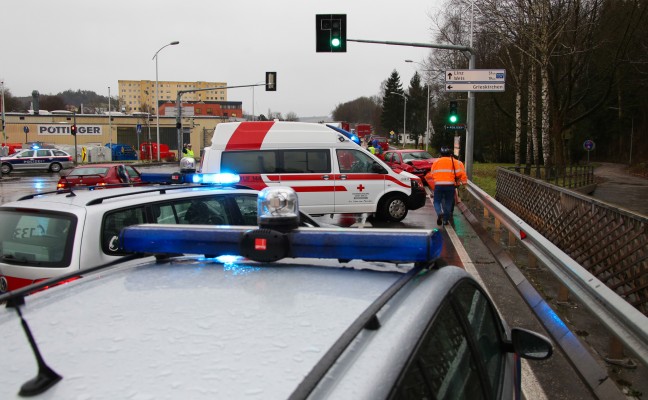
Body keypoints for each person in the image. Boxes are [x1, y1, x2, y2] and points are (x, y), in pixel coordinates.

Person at [425, 146, 467, 226]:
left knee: (436, 201)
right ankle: (445, 220)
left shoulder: (436, 162)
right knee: (448, 202)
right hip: (450, 185)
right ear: (450, 154)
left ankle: (439, 212)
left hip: (439, 185)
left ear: (441, 154)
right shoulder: (453, 162)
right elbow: (459, 173)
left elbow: (432, 174)